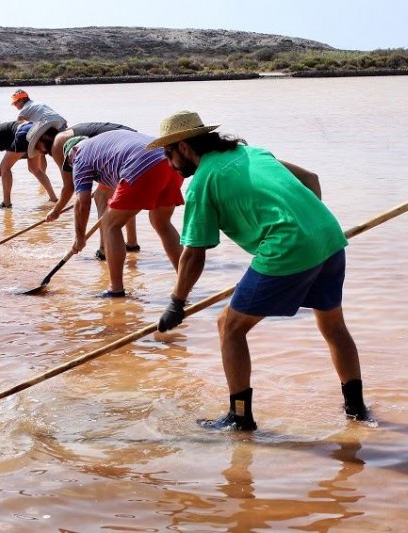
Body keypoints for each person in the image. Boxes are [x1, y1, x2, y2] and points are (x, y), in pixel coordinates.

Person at [148, 110, 368, 431]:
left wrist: (176, 303)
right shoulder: (253, 152)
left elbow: (194, 255)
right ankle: (358, 412)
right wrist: (307, 227)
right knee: (333, 327)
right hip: (328, 237)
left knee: (229, 327)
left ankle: (240, 418)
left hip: (286, 246)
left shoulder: (202, 182)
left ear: (182, 147)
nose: (169, 164)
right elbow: (311, 179)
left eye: (168, 154)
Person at [63, 129, 183, 297]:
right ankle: (185, 280)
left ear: (73, 150)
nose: (72, 167)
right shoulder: (102, 147)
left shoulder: (80, 155)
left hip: (142, 163)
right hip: (171, 160)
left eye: (69, 163)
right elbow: (111, 193)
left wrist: (80, 238)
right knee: (161, 223)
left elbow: (82, 203)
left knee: (110, 225)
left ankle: (115, 289)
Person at [27, 120, 141, 260]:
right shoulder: (70, 134)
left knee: (101, 196)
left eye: (38, 147)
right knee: (122, 187)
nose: (41, 152)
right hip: (133, 143)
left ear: (44, 138)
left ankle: (105, 249)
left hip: (121, 148)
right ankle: (131, 243)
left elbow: (70, 187)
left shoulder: (59, 143)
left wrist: (56, 211)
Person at [0, 121, 58, 208]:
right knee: (34, 169)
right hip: (32, 131)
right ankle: (53, 198)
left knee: (5, 167)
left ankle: (6, 203)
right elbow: (11, 152)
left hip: (23, 134)